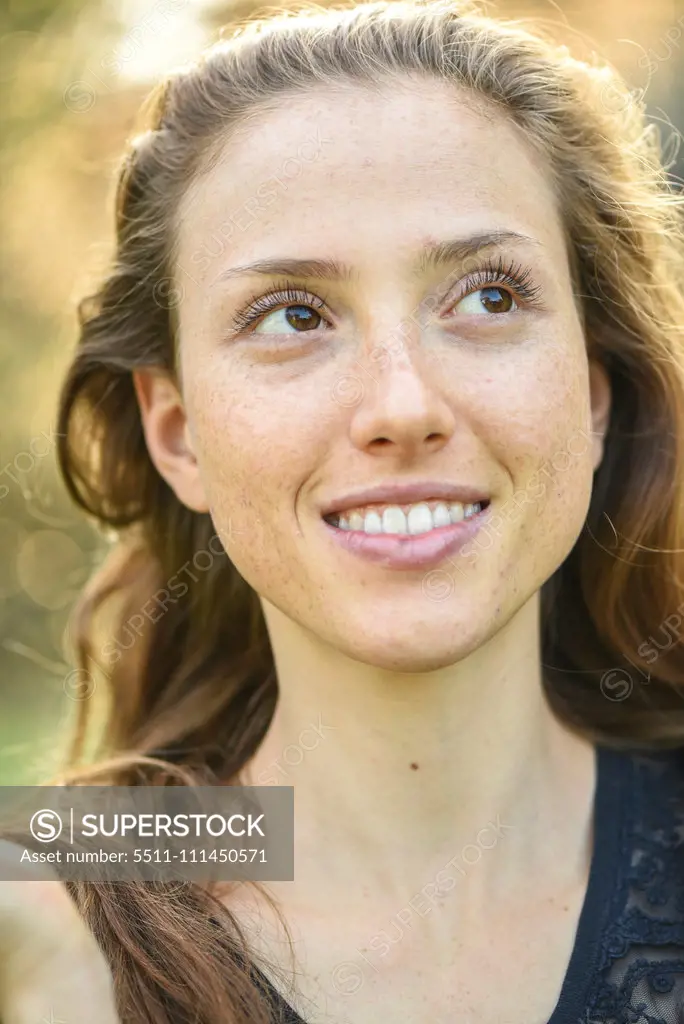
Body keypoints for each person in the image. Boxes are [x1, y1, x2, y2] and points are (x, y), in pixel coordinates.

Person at [3, 0, 684, 1020]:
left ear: (593, 394)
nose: (402, 406)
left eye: (489, 297)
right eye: (293, 315)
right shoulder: (45, 897)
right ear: (178, 431)